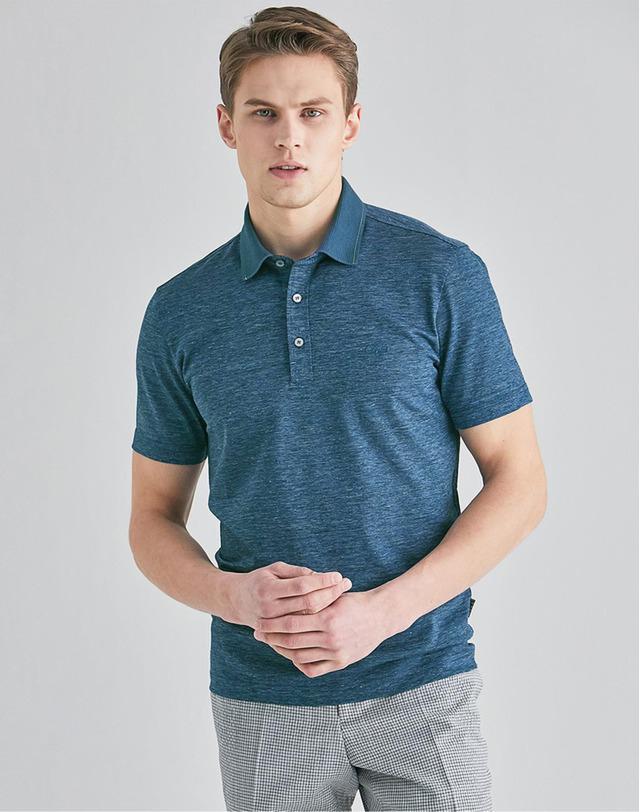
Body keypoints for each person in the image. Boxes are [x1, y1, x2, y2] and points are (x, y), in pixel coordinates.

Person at [129, 6, 547, 811]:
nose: (289, 137)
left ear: (350, 124)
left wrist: (383, 614)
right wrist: (233, 597)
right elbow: (151, 517)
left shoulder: (439, 274)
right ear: (227, 126)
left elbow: (520, 482)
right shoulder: (180, 311)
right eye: (263, 113)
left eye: (313, 112)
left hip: (422, 682)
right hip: (261, 698)